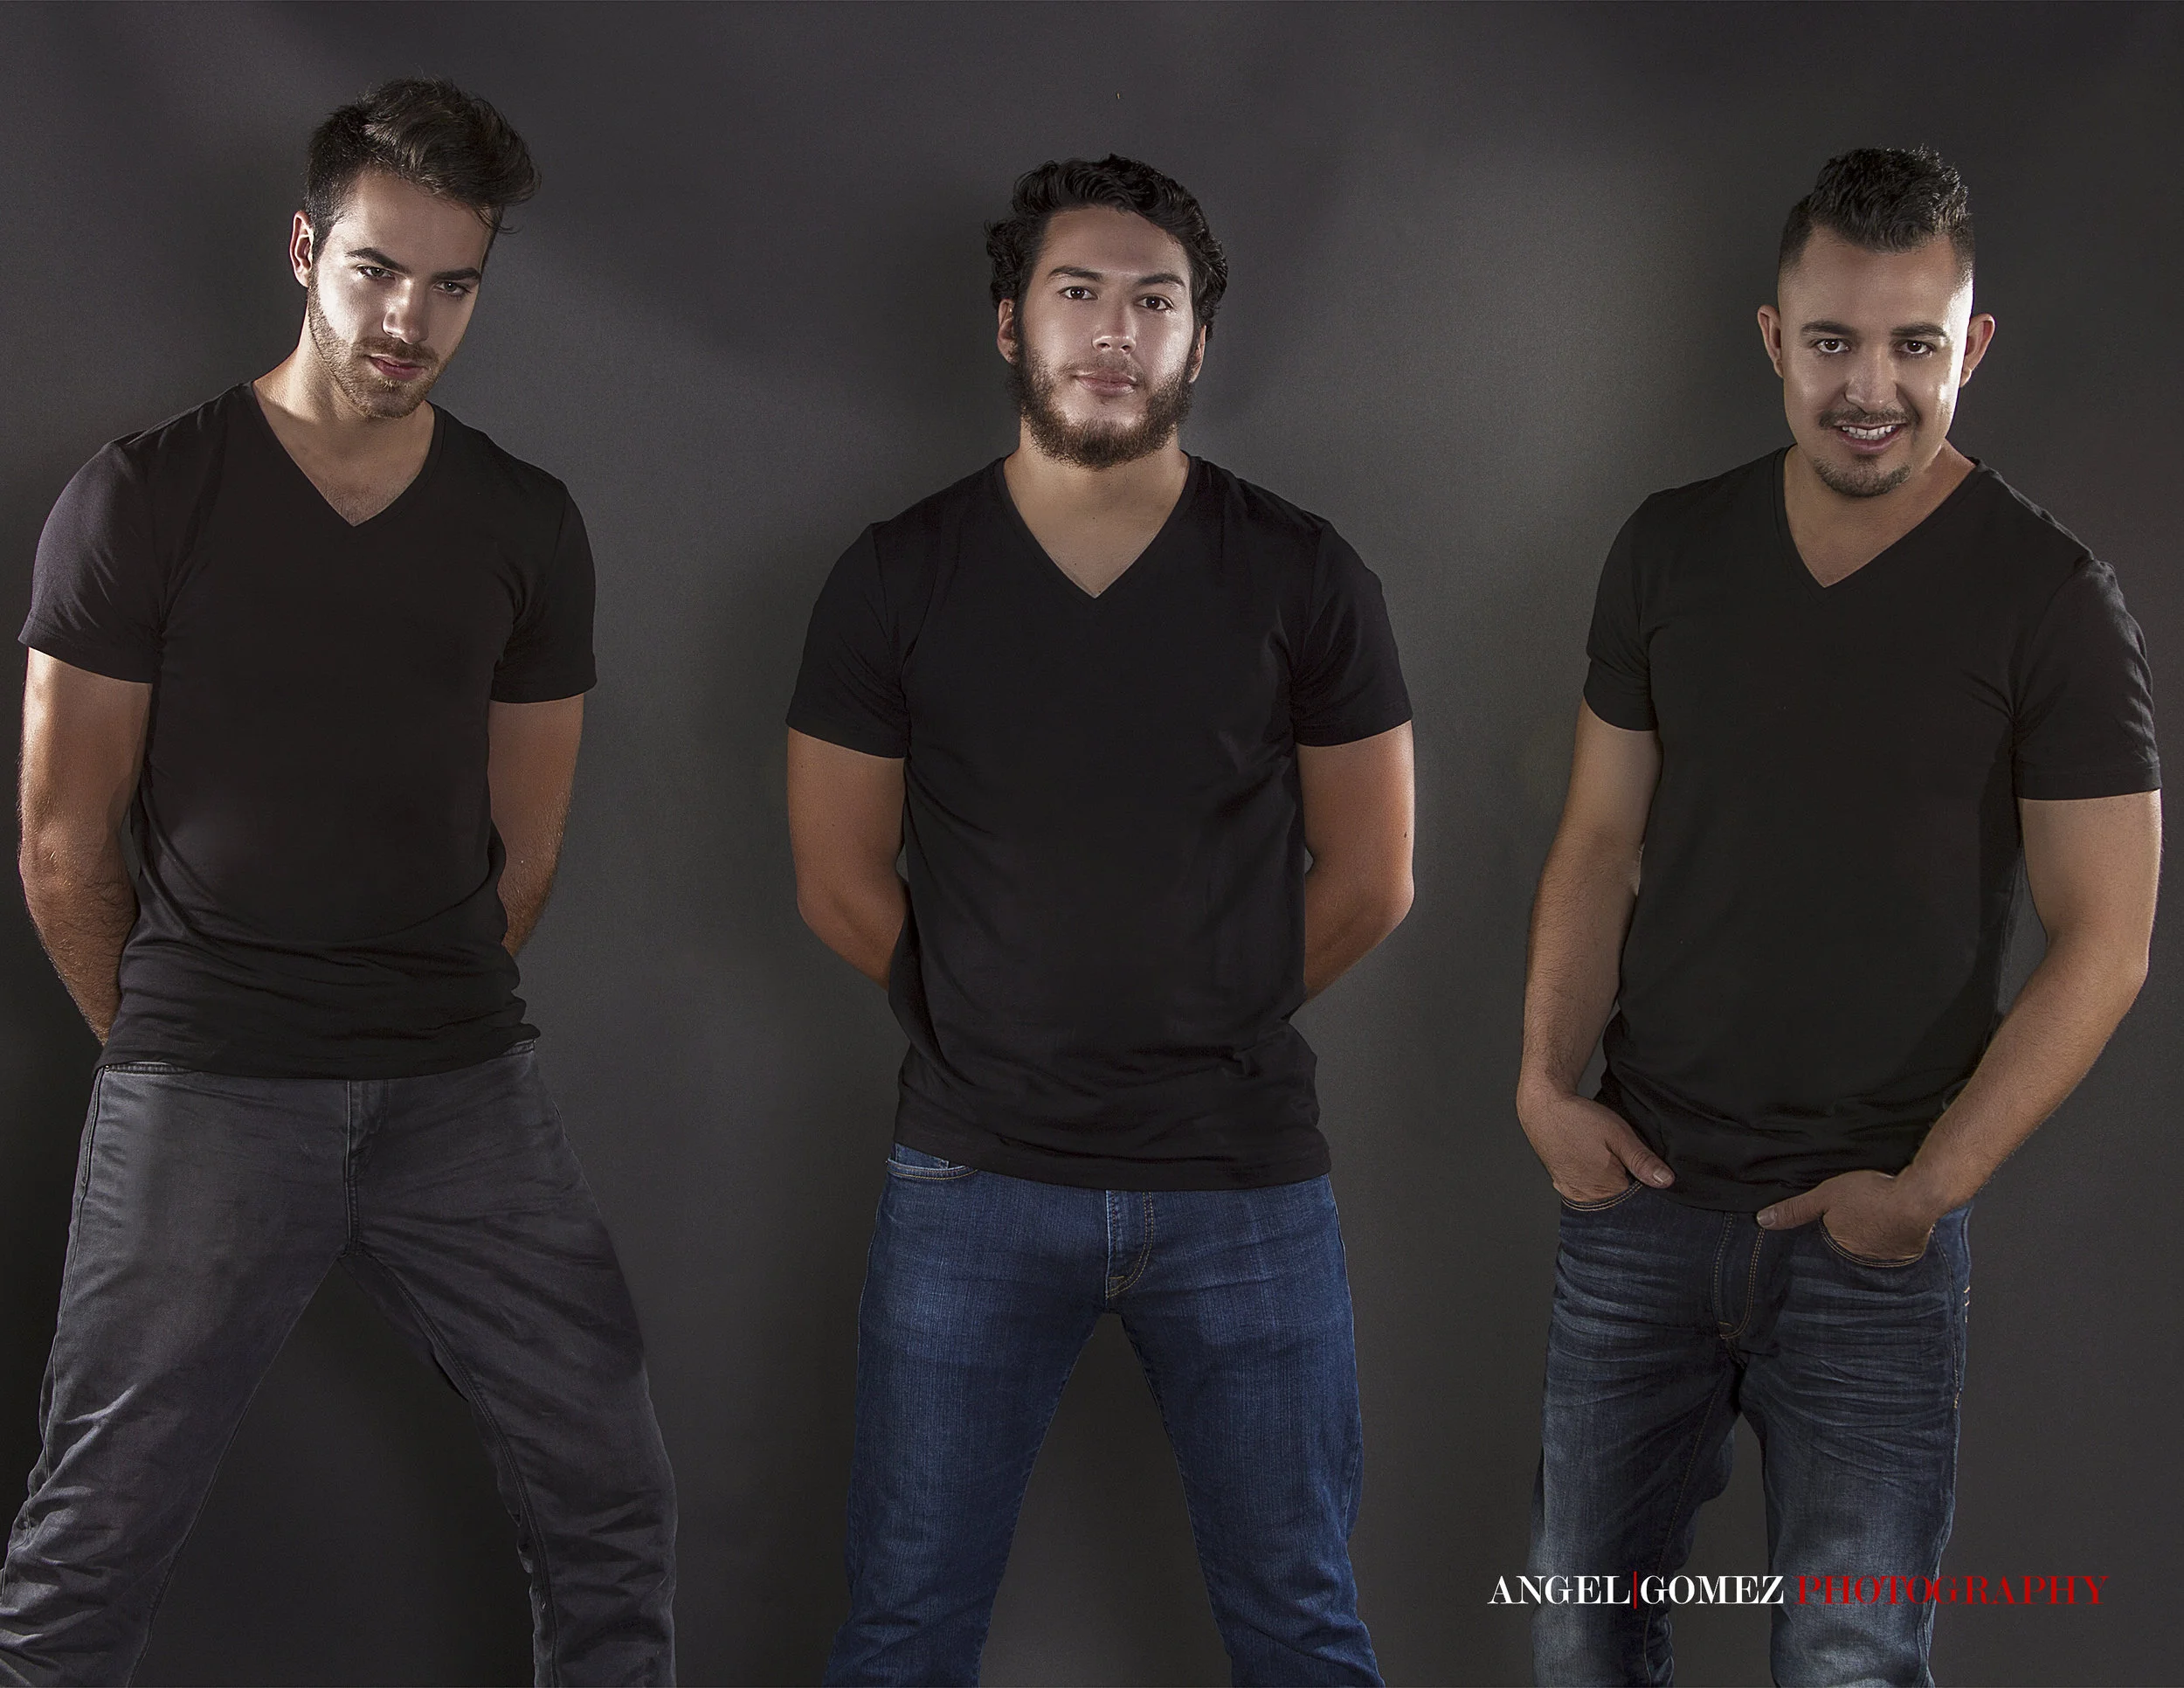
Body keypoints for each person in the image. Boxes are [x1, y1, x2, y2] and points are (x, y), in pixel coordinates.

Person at [0, 80, 675, 1686]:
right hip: (207, 1078)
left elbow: (526, 840)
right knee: (92, 1539)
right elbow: (62, 838)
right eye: (377, 270)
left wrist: (418, 1003)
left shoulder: (524, 522)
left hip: (460, 1088)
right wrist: (173, 1043)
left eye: (453, 286)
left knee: (609, 1498)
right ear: (306, 250)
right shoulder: (146, 495)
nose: (408, 321)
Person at [1517, 147, 2160, 1686]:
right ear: (1773, 337)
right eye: (1833, 342)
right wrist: (1542, 1086)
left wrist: (1931, 1186)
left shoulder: (2052, 599)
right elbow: (1600, 841)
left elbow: (2109, 939)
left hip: (1872, 1244)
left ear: (1971, 346)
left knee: (1849, 1666)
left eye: (1914, 344)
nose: (1872, 388)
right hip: (1643, 1204)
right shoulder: (1668, 548)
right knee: (1577, 1646)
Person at [785, 155, 1415, 1686]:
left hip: (1243, 1180)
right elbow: (839, 879)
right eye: (1078, 294)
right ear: (1012, 323)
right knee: (905, 1623)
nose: (1116, 331)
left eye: (1156, 301)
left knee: (1303, 1624)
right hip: (972, 1175)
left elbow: (1375, 877)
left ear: (1200, 339)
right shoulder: (897, 576)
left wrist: (1214, 1022)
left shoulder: (1303, 572)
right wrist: (991, 1030)